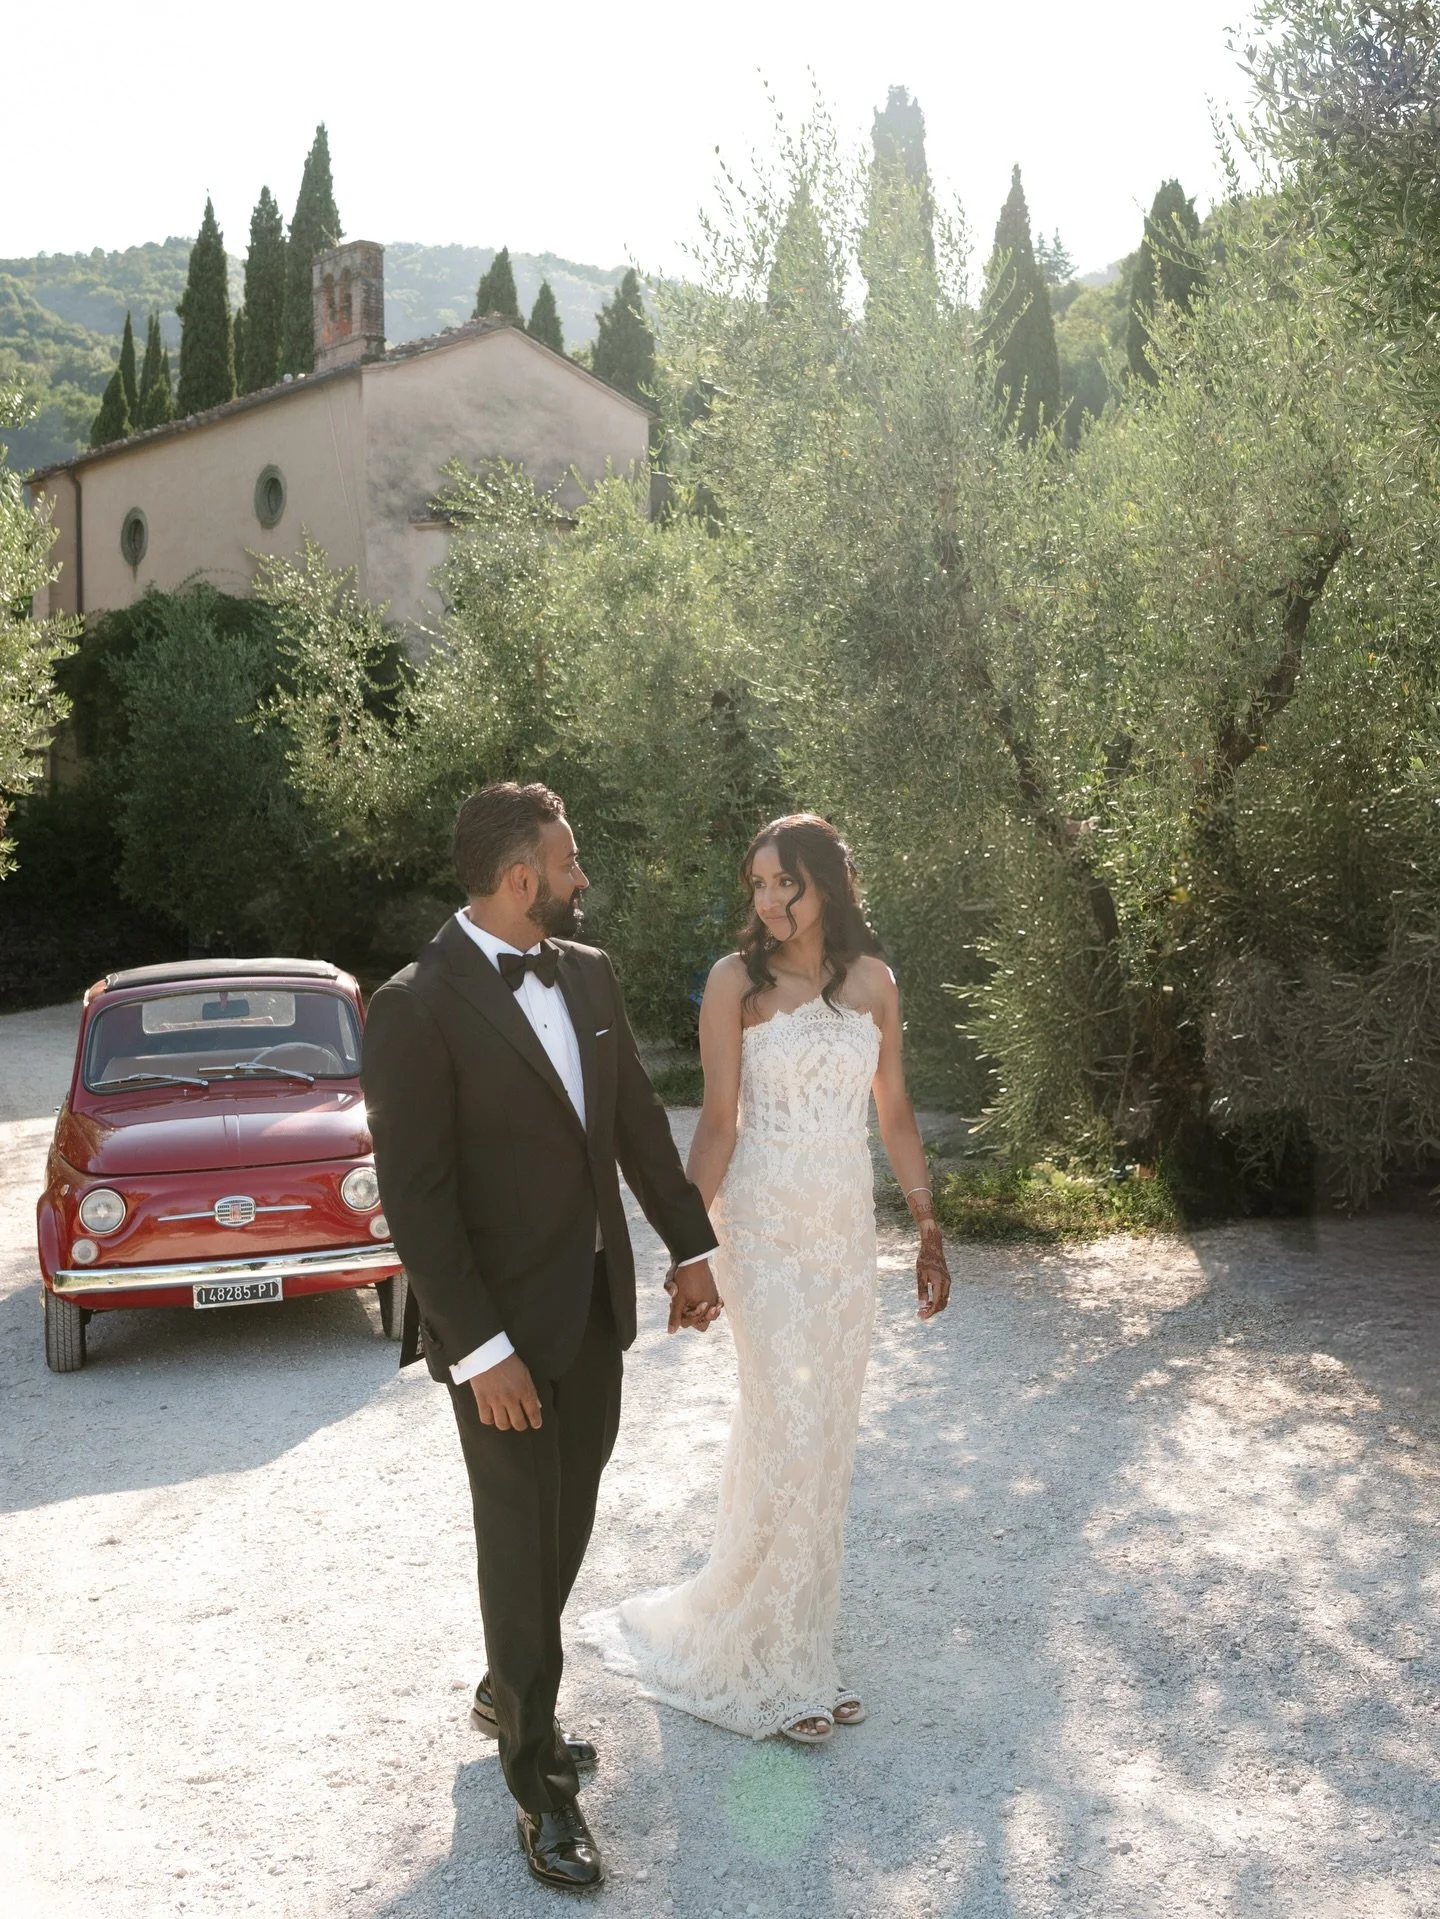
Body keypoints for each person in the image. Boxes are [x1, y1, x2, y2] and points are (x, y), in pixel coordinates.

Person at [361, 782, 722, 1892]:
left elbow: (634, 1131)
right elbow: (417, 1200)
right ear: (522, 877)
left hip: (595, 1311)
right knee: (520, 1540)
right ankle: (540, 1787)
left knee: (565, 1521)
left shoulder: (593, 974)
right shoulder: (413, 1005)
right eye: (568, 861)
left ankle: (507, 1685)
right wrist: (477, 1351)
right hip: (499, 1339)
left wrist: (691, 1247)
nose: (579, 878)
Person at [583, 814, 950, 1743]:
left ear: (830, 882)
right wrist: (687, 1247)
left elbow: (896, 1110)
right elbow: (716, 1124)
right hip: (766, 1228)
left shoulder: (876, 984)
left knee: (826, 1435)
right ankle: (778, 1672)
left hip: (841, 1232)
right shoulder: (734, 985)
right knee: (788, 1423)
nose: (770, 901)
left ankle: (804, 1650)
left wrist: (929, 1223)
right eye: (757, 884)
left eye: (786, 882)